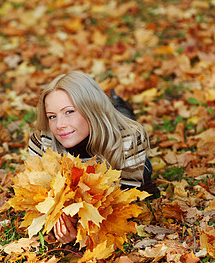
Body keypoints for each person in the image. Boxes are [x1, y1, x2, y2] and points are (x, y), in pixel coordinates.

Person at [28, 71, 159, 244]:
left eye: (69, 112)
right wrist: (57, 216)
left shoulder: (130, 140)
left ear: (90, 109)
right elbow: (38, 194)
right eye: (52, 116)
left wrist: (83, 225)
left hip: (114, 145)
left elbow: (122, 203)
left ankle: (118, 104)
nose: (59, 125)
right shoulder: (42, 140)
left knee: (145, 174)